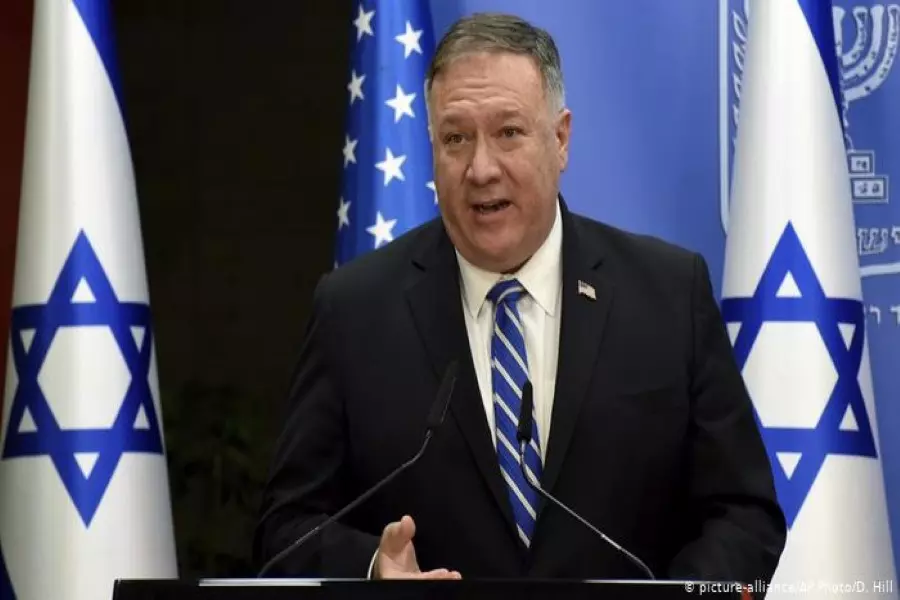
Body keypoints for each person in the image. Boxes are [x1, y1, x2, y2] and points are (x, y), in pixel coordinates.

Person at [253, 12, 786, 584]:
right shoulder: (355, 311)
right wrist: (371, 568)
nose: (481, 169)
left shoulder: (668, 295)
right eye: (455, 139)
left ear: (560, 139)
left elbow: (744, 515)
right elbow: (284, 531)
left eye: (508, 132)